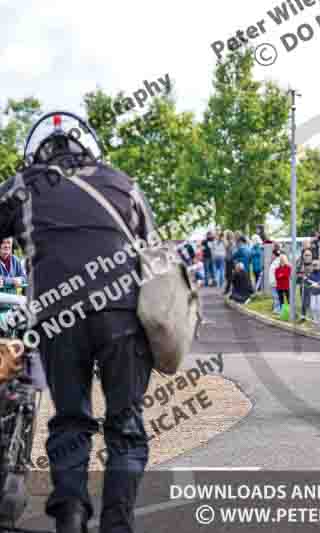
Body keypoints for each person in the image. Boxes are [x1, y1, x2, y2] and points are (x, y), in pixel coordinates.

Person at [0, 112, 157, 532]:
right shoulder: (123, 182)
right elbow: (153, 249)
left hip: (57, 315)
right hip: (122, 314)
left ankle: (71, 518)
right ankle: (117, 524)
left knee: (70, 420)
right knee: (125, 423)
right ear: (88, 147)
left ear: (37, 153)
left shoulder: (23, 185)